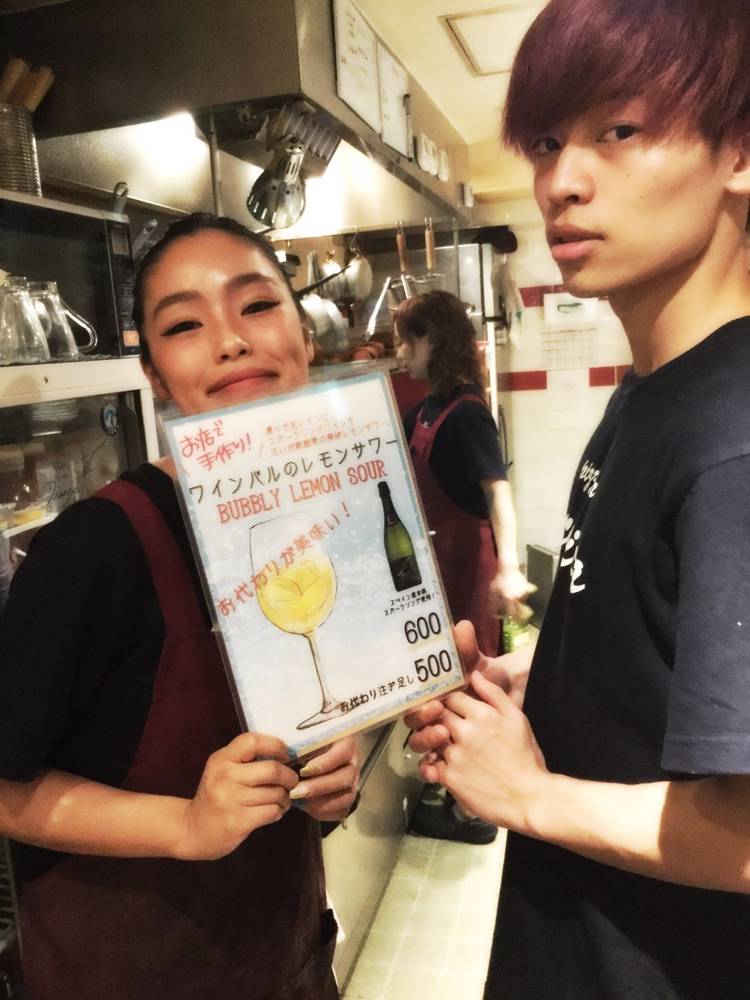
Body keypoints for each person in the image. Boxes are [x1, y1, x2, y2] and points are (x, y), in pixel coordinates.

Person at [406, 0, 750, 997]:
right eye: (549, 142)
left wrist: (528, 792)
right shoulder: (654, 389)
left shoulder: (733, 439)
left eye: (620, 130)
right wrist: (550, 678)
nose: (560, 181)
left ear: (737, 151)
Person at [0, 213, 360, 1000]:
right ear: (155, 375)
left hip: (289, 964)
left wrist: (335, 768)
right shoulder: (95, 549)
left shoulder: (323, 518)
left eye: (257, 305)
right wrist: (186, 826)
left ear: (304, 336)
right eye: (184, 325)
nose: (231, 340)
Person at [394, 291, 531, 845]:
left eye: (408, 341)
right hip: (434, 569)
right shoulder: (423, 410)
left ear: (433, 340)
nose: (401, 353)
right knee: (442, 680)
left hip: (468, 566)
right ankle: (447, 791)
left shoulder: (468, 413)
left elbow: (499, 493)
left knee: (474, 681)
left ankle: (476, 812)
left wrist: (510, 568)